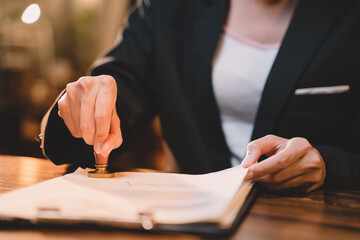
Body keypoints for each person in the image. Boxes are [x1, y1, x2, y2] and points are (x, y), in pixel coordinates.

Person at [40, 0, 360, 191]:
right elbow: (117, 91)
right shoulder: (169, 8)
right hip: (186, 224)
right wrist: (79, 110)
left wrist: (329, 165)